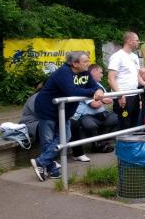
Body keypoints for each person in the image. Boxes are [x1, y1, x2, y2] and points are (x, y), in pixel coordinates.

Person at [30, 51, 104, 181]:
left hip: (64, 111)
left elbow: (95, 86)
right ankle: (51, 168)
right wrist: (93, 92)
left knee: (66, 136)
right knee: (48, 140)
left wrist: (98, 90)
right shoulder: (63, 72)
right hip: (48, 109)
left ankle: (41, 162)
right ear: (75, 64)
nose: (88, 64)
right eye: (85, 61)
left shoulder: (85, 72)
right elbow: (72, 91)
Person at [72, 64, 118, 161]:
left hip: (101, 115)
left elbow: (110, 100)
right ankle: (96, 144)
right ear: (93, 72)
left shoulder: (99, 85)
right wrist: (103, 100)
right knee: (90, 125)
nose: (102, 75)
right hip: (86, 116)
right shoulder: (83, 84)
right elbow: (94, 104)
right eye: (101, 72)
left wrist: (101, 100)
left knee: (119, 118)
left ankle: (101, 141)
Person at [108, 32, 141, 130]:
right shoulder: (117, 56)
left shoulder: (135, 57)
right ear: (129, 41)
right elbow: (110, 79)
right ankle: (123, 145)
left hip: (134, 94)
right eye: (137, 40)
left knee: (134, 123)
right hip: (123, 96)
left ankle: (133, 145)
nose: (138, 42)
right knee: (124, 124)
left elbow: (137, 76)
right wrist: (120, 95)